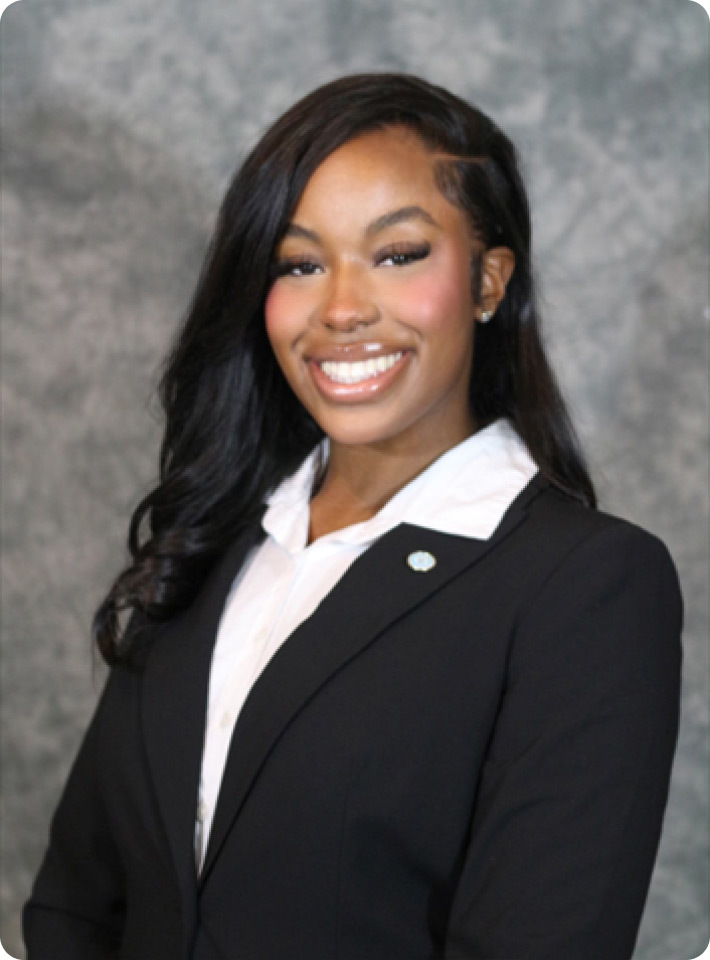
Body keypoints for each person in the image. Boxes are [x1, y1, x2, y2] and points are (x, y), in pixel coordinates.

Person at [23, 73, 682, 960]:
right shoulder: (214, 542)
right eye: (299, 264)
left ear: (489, 281)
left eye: (398, 253)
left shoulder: (587, 588)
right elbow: (74, 909)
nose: (340, 309)